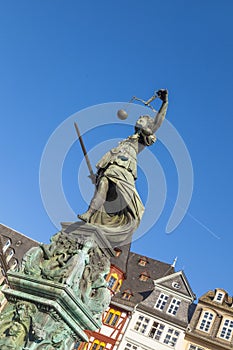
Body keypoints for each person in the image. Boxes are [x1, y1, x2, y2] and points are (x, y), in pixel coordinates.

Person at [78, 89, 168, 244]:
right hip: (112, 165)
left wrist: (165, 102)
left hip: (125, 169)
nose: (139, 118)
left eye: (142, 118)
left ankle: (123, 214)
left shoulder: (142, 138)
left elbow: (158, 122)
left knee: (122, 193)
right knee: (104, 184)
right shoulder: (126, 139)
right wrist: (99, 175)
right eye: (139, 117)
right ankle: (89, 213)